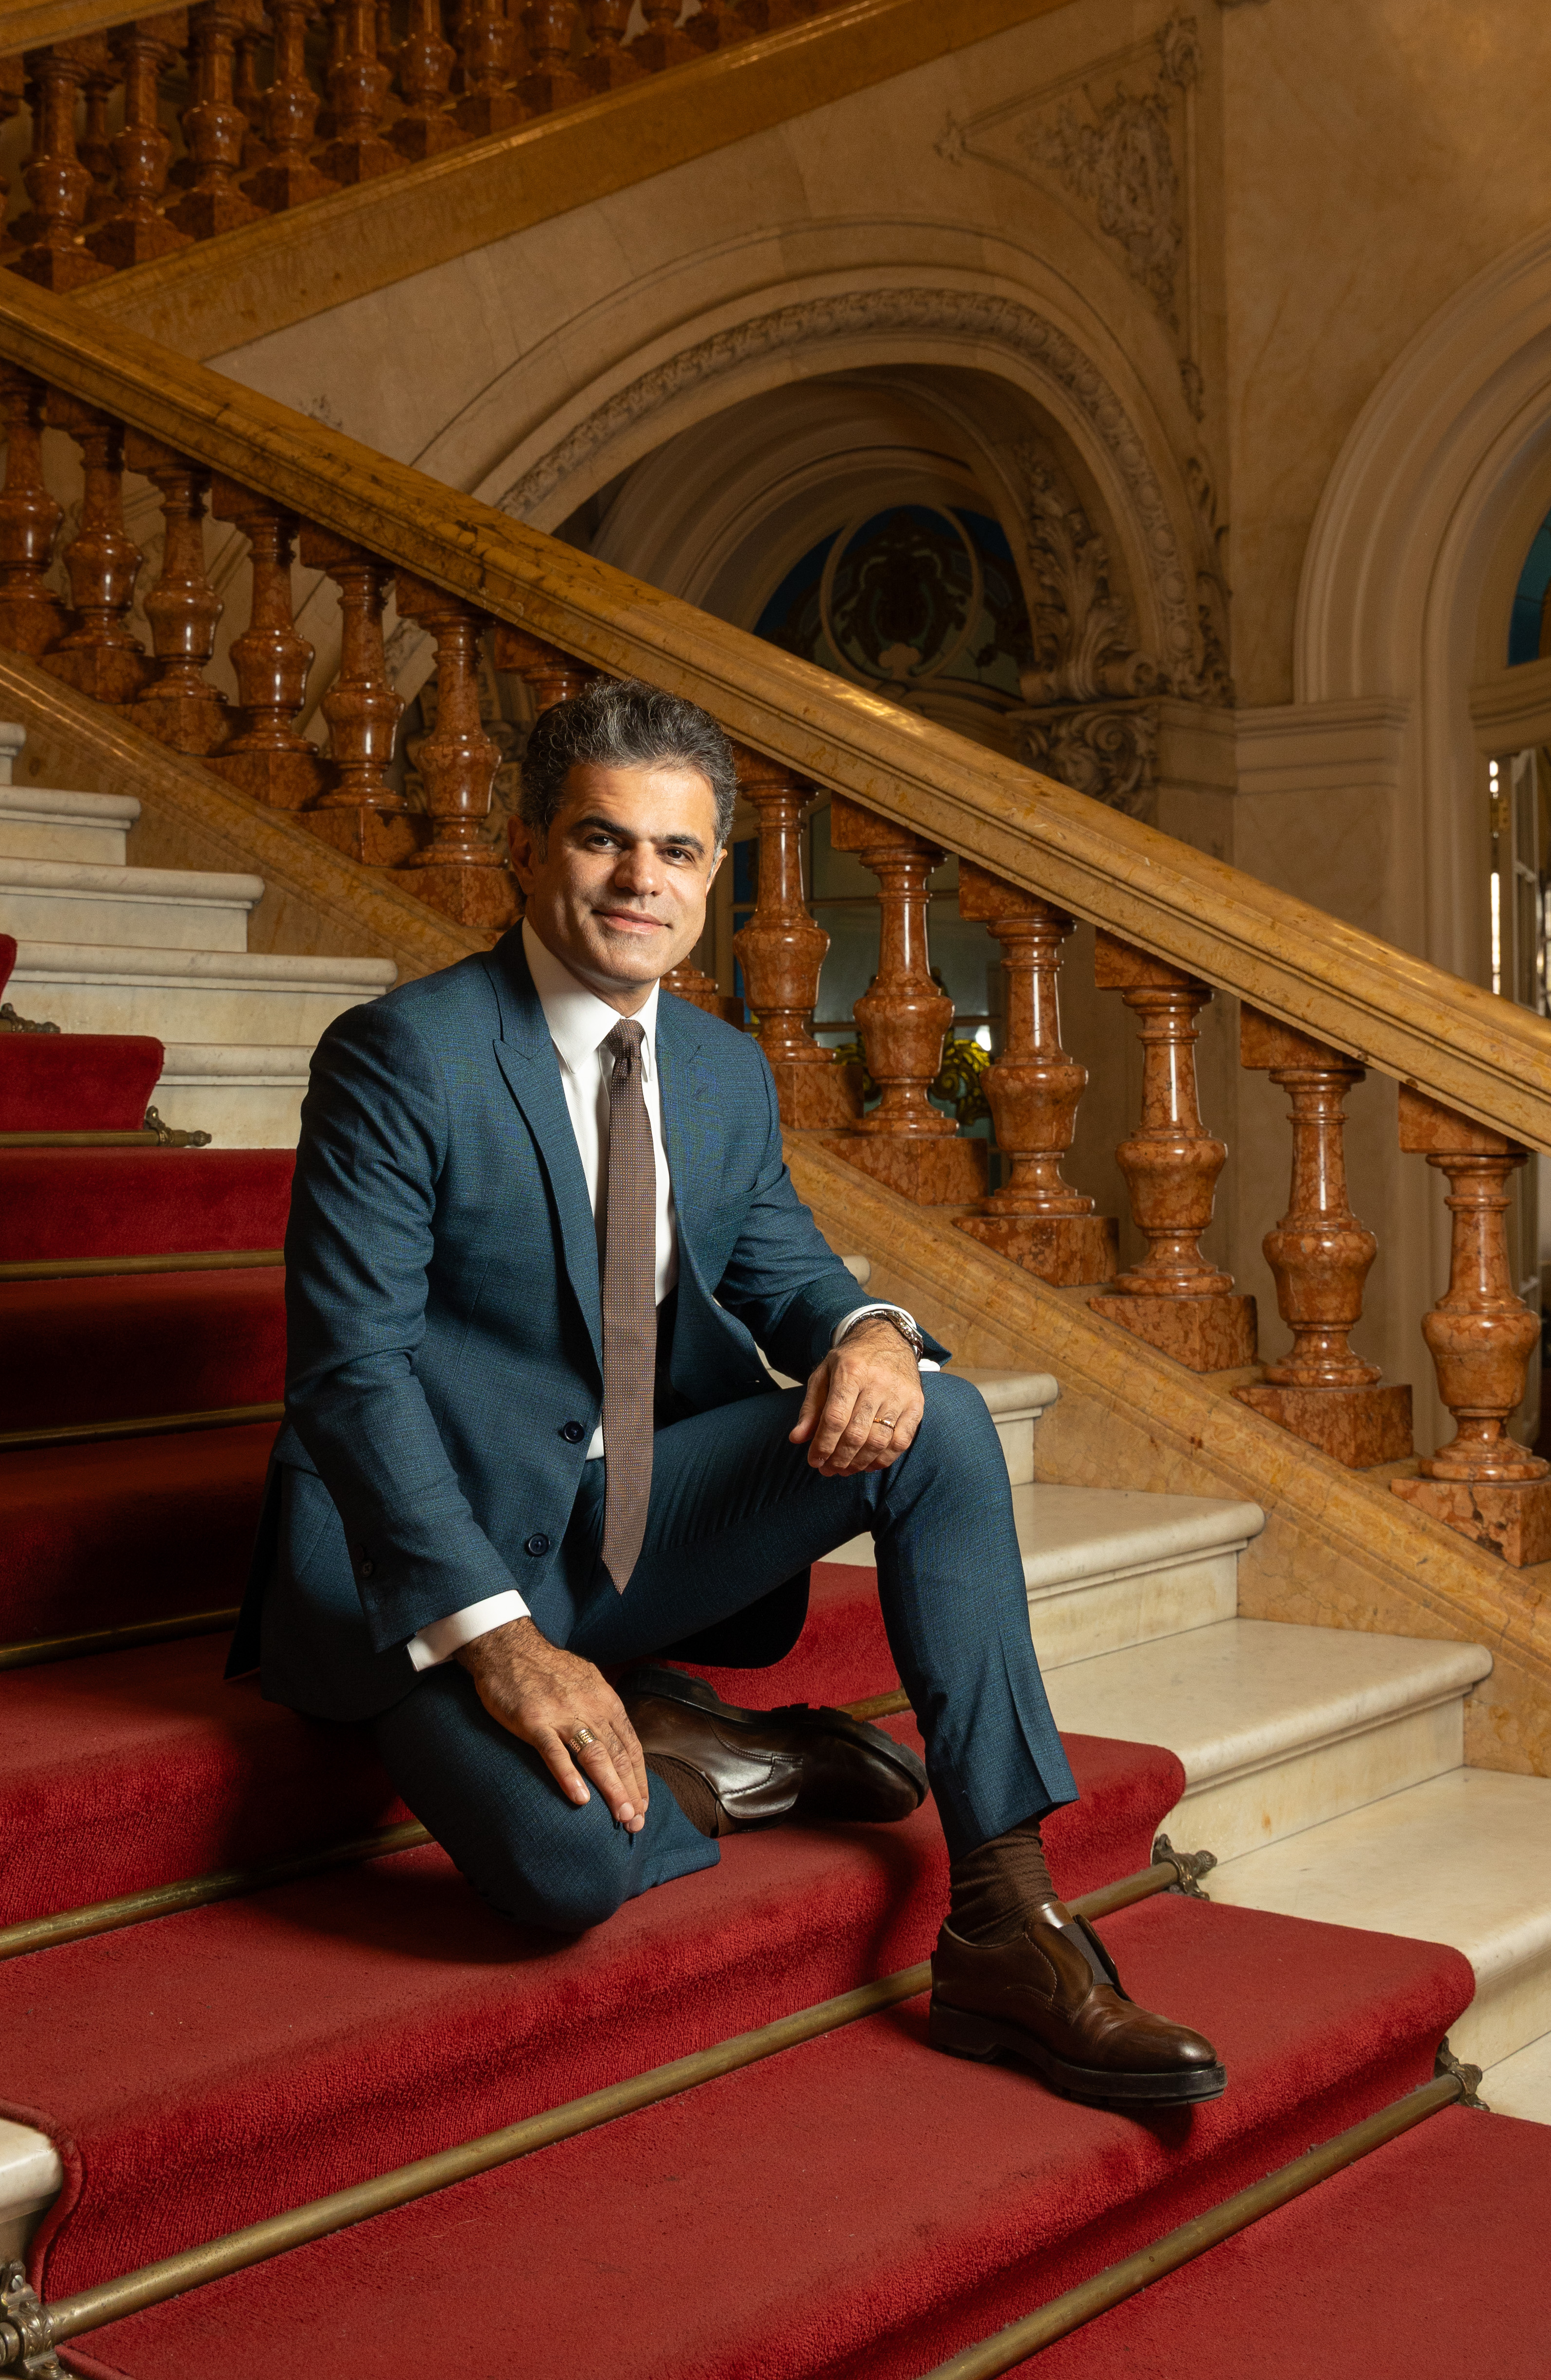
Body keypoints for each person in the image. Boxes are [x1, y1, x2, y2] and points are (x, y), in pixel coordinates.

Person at [229, 679, 1223, 2111]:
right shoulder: (404, 1057)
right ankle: (736, 1765)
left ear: (711, 878)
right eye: (602, 841)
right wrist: (504, 1646)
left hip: (633, 1522)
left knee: (933, 1418)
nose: (642, 880)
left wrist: (876, 1333)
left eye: (679, 852)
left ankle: (1009, 1917)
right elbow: (349, 1372)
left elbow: (790, 1273)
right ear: (526, 849)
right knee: (560, 1872)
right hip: (431, 1566)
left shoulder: (720, 1072)